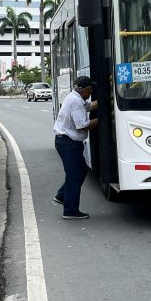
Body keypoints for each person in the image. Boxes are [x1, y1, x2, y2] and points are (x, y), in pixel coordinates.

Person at [53, 75, 98, 220]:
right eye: (90, 90)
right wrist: (102, 118)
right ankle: (70, 210)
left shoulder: (76, 97)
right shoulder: (76, 102)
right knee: (74, 175)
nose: (91, 93)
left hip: (67, 142)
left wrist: (106, 99)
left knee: (81, 170)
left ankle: (62, 195)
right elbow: (83, 125)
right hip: (68, 143)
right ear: (84, 89)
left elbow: (90, 106)